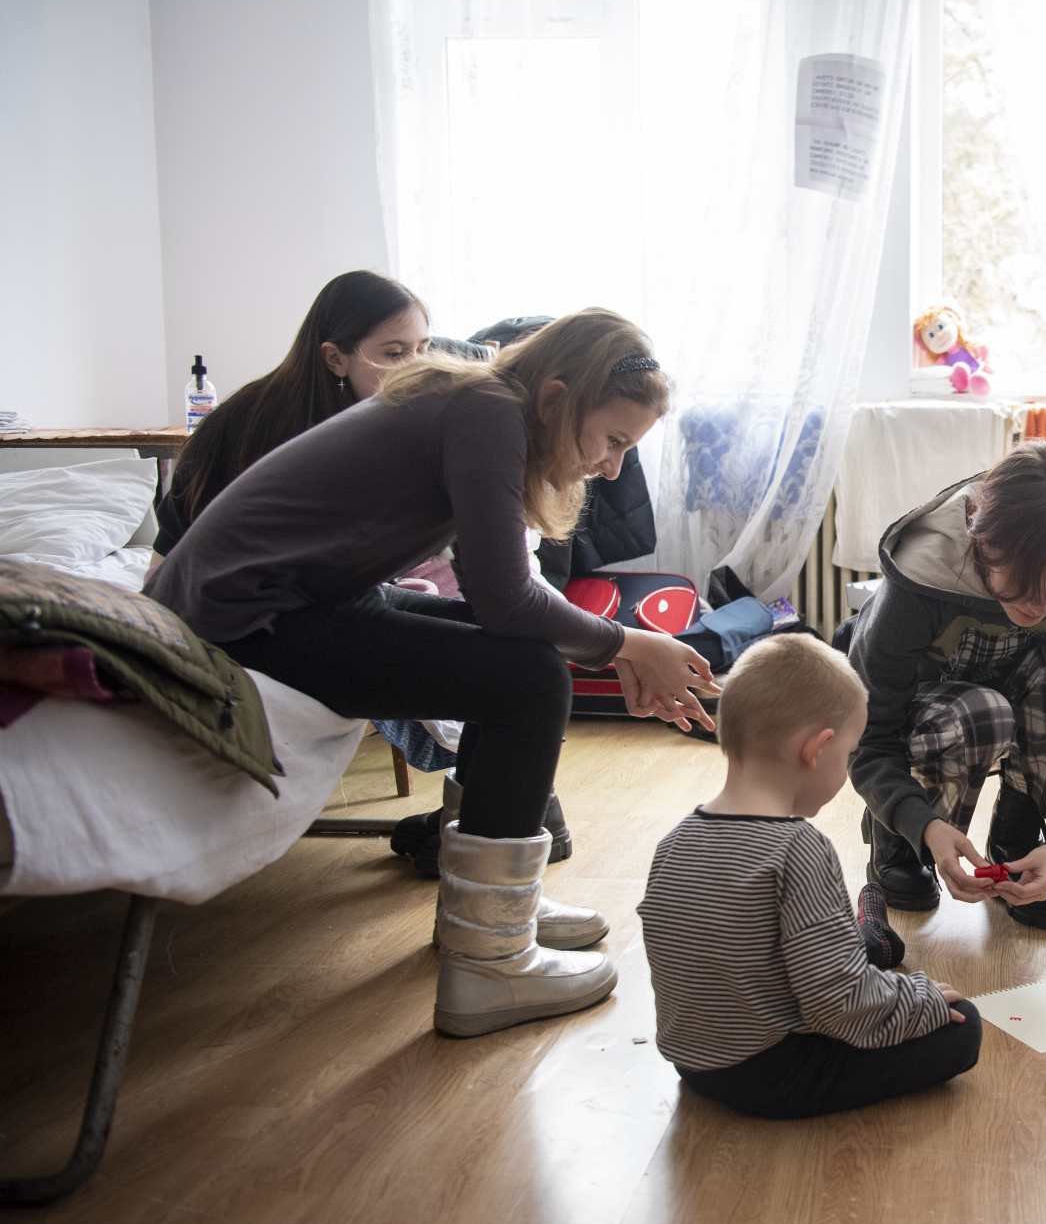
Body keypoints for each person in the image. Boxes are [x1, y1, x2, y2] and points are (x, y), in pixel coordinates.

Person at [144, 309, 718, 1038]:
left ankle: (486, 913)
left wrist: (622, 646)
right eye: (611, 441)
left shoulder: (485, 407)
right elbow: (507, 599)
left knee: (523, 664)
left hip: (291, 600)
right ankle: (487, 963)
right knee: (532, 680)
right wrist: (630, 643)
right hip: (242, 618)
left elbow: (503, 601)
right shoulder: (486, 413)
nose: (610, 467)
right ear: (555, 399)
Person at [640, 634, 980, 1118]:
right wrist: (917, 1000)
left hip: (692, 1063)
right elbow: (839, 1005)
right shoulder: (798, 847)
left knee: (847, 949)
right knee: (963, 1025)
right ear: (817, 750)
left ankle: (871, 938)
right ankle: (872, 940)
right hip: (772, 1073)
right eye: (848, 755)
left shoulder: (675, 840)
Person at [845, 441, 1046, 931]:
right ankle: (898, 842)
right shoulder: (920, 578)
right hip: (927, 720)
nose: (1039, 603)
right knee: (983, 711)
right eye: (1023, 582)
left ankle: (1019, 840)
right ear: (980, 542)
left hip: (1015, 704)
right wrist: (922, 826)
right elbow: (867, 735)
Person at [153, 270, 435, 560]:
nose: (417, 368)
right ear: (336, 359)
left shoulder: (379, 415)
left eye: (423, 350)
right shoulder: (283, 431)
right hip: (228, 589)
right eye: (396, 354)